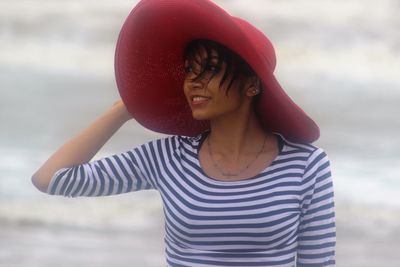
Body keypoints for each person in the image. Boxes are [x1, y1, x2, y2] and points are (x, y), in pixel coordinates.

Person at [32, 0, 336, 266]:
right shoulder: (168, 157)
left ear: (252, 85)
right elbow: (51, 179)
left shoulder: (306, 166)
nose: (192, 82)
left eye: (210, 70)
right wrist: (124, 109)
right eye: (190, 70)